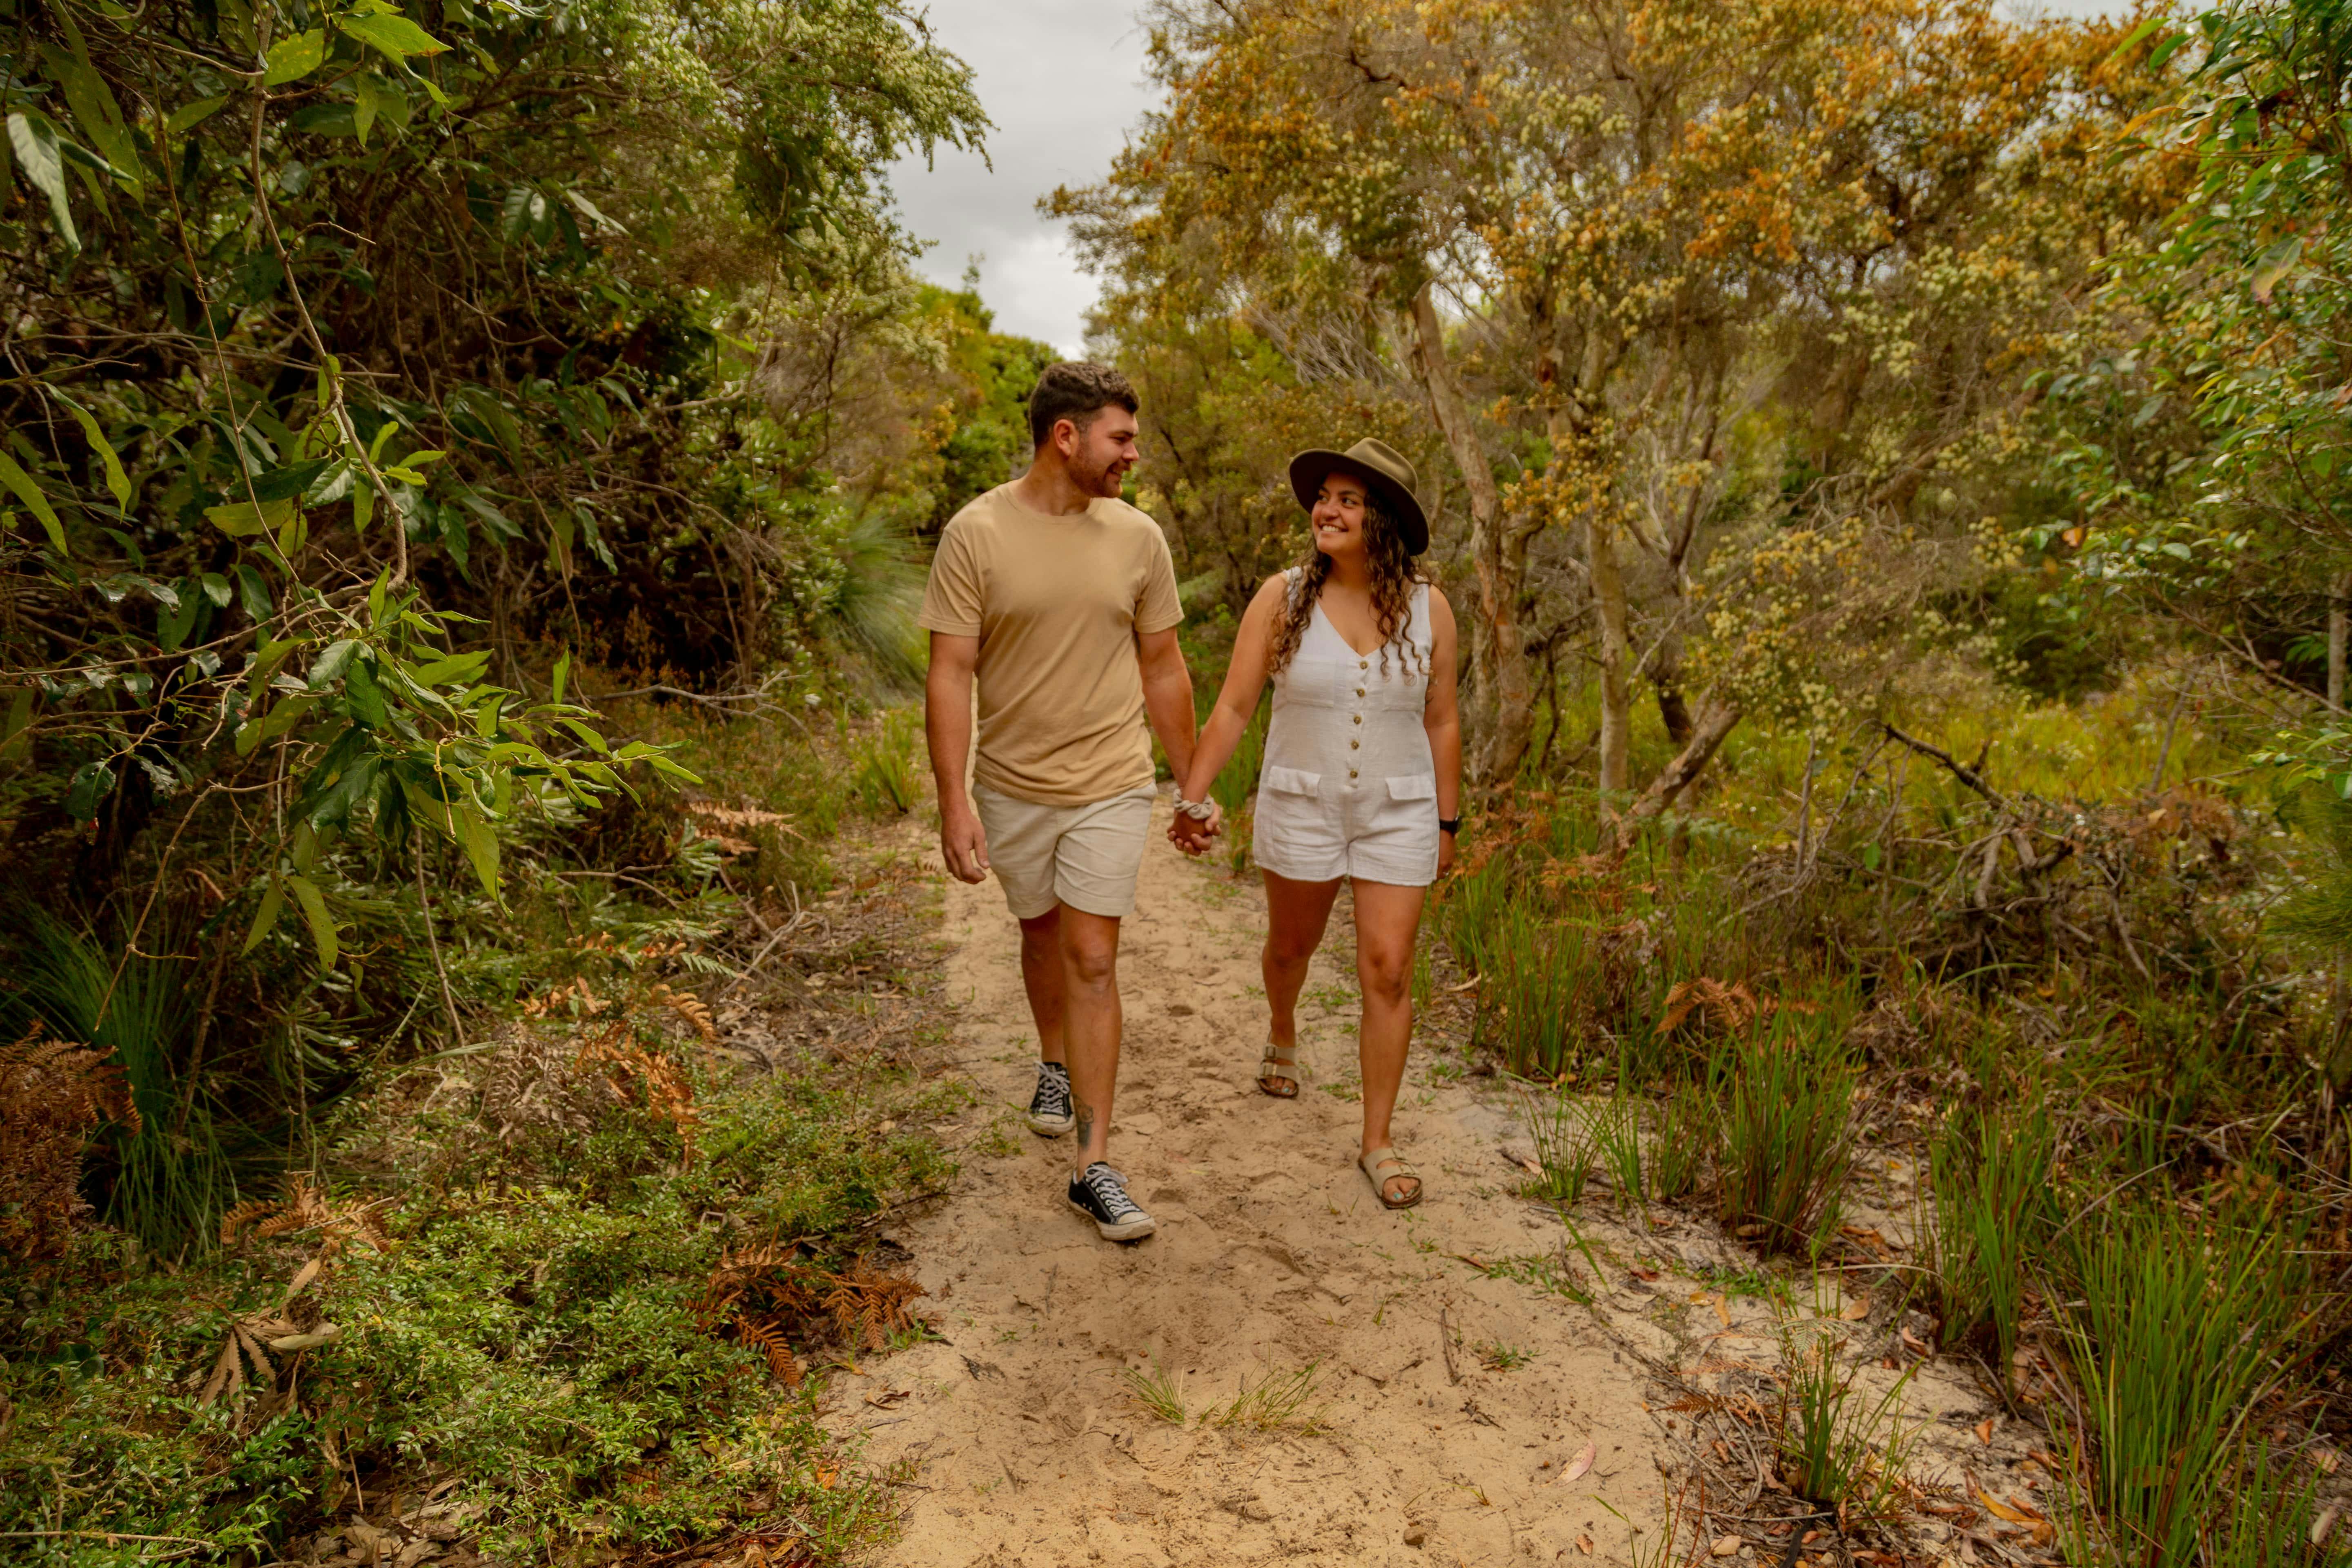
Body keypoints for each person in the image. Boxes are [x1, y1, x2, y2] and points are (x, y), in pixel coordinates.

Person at [919, 361, 1205, 1241]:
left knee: (1091, 955)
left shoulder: (1138, 539)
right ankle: (1052, 1061)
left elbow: (1163, 667)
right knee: (1040, 933)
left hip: (1112, 783)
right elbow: (951, 672)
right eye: (1121, 437)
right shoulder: (975, 534)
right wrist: (954, 801)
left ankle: (1093, 1164)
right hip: (1013, 785)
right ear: (1067, 436)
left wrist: (1192, 786)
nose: (1133, 454)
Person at [1170, 438, 1461, 1209]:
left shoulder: (1431, 609)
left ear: (1384, 520)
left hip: (1398, 812)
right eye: (1324, 496)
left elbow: (1442, 720)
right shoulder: (1284, 595)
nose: (1325, 510)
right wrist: (1192, 796)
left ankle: (1378, 1142)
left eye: (1347, 500)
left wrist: (1448, 820)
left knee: (1389, 970)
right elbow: (1235, 706)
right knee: (1291, 948)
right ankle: (1283, 1027)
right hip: (1302, 802)